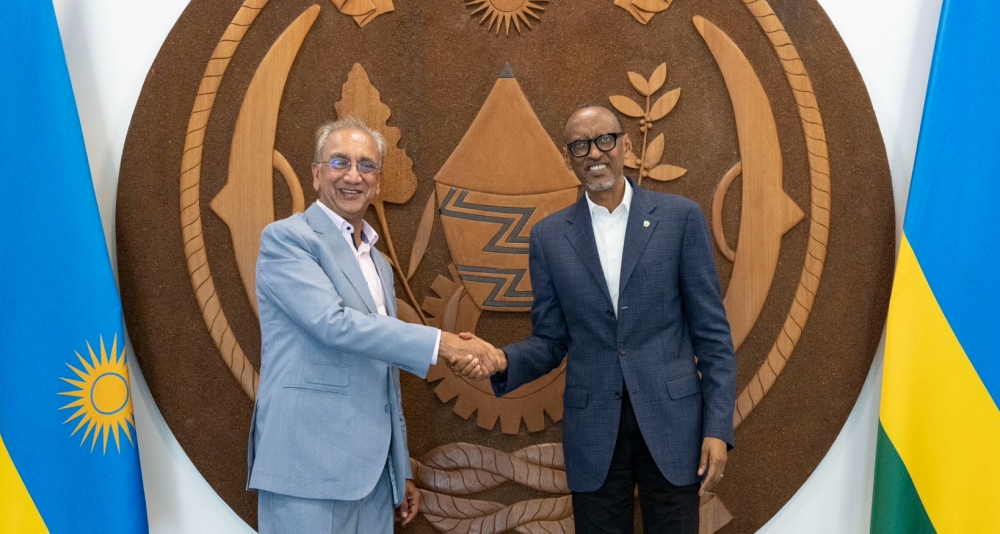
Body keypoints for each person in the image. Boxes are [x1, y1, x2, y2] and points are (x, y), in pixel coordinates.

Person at [485, 105, 737, 533]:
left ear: (626, 145)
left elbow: (713, 337)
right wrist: (503, 361)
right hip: (594, 432)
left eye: (604, 139)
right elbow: (550, 340)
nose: (594, 153)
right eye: (580, 145)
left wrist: (717, 428)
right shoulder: (548, 238)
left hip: (674, 426)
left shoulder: (680, 218)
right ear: (568, 157)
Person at [247, 117, 498, 533]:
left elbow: (384, 377)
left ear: (378, 182)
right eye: (339, 162)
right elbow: (334, 325)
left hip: (374, 481)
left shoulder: (379, 263)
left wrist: (400, 470)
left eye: (366, 165)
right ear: (316, 174)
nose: (353, 175)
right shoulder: (287, 240)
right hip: (307, 470)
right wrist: (444, 344)